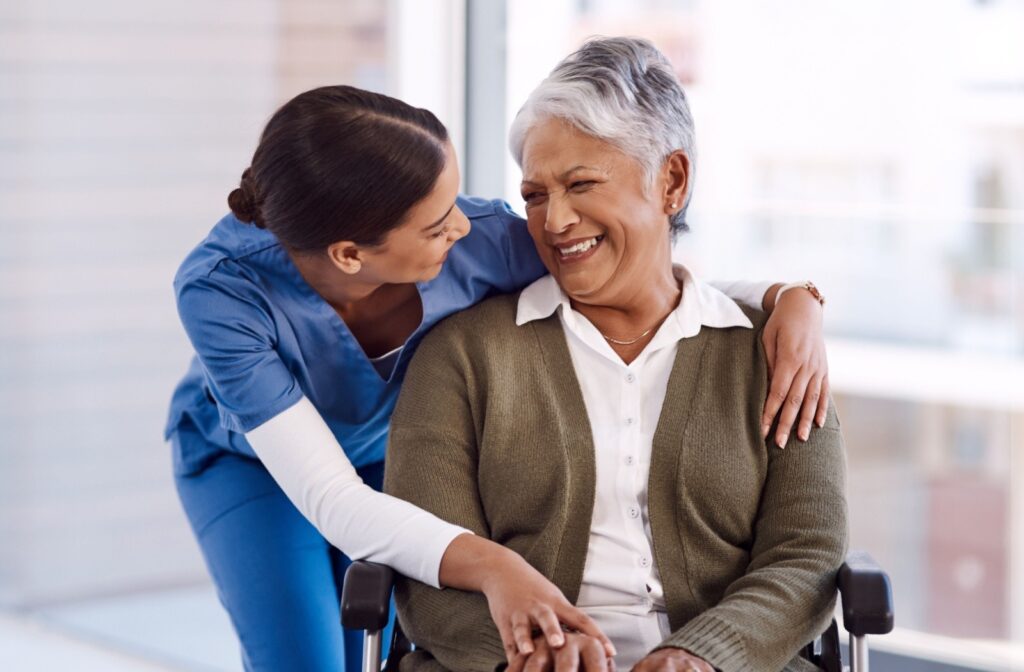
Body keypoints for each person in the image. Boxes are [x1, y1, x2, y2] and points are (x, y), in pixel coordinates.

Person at [166, 83, 832, 671]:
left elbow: (644, 275)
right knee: (306, 661)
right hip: (255, 467)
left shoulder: (482, 239)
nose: (463, 223)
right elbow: (334, 501)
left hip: (394, 454)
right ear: (350, 254)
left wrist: (785, 297)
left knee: (370, 638)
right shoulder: (221, 291)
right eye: (435, 223)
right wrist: (500, 567)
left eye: (455, 200)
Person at [385, 37, 848, 672]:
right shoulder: (461, 356)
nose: (554, 221)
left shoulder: (775, 352)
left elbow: (806, 552)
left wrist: (703, 655)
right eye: (536, 195)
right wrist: (534, 653)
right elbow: (427, 561)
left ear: (672, 182)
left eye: (581, 184)